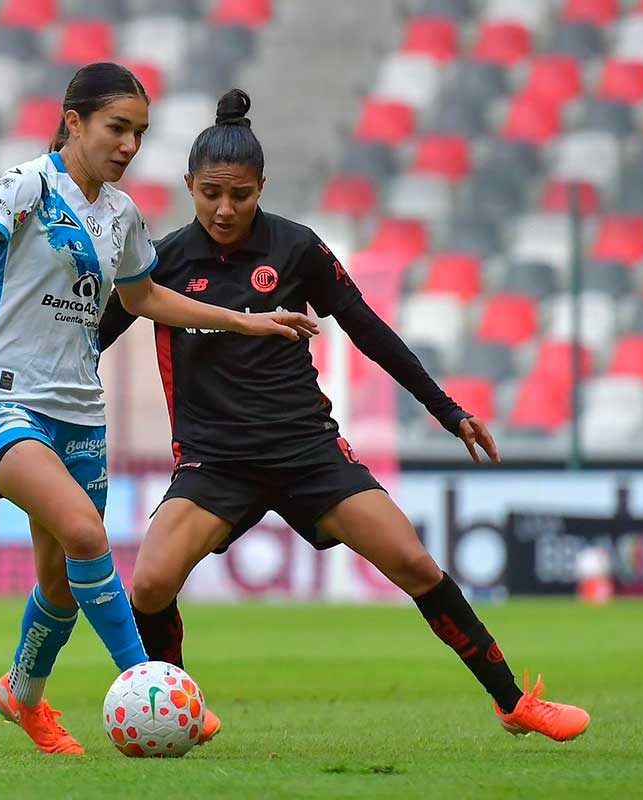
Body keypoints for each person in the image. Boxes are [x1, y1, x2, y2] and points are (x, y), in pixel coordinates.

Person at [98, 89, 591, 744]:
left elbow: (368, 329)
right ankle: (177, 702)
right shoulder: (159, 263)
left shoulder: (296, 248)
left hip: (308, 452)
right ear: (189, 185)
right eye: (211, 192)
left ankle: (514, 703)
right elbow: (91, 338)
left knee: (415, 565)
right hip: (215, 462)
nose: (224, 208)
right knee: (152, 582)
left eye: (240, 195)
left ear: (261, 188)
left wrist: (447, 411)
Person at [0, 66, 318, 756]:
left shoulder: (123, 215)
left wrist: (243, 321)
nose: (130, 144)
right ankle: (150, 680)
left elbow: (144, 301)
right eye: (117, 127)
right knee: (84, 532)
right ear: (74, 122)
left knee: (61, 582)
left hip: (81, 414)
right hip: (1, 399)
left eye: (139, 132)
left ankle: (22, 693)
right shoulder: (29, 186)